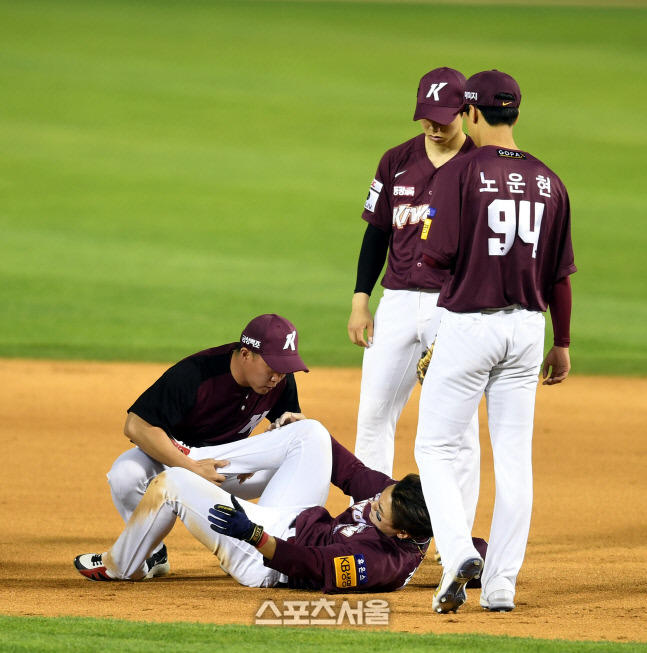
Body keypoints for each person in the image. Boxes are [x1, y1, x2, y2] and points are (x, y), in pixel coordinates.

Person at [414, 70, 576, 614]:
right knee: (514, 460)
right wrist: (563, 343)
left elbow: (434, 258)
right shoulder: (551, 180)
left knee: (434, 446)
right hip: (530, 330)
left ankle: (459, 550)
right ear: (517, 114)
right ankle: (502, 584)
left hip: (471, 324)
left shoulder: (462, 171)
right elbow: (559, 276)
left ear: (474, 114)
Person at [75, 418, 473, 593]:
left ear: (402, 533)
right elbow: (349, 471)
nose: (372, 506)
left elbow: (309, 566)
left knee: (174, 483)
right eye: (380, 500)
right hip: (290, 518)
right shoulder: (402, 502)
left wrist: (253, 535)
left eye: (380, 514)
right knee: (312, 433)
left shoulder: (379, 563)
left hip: (266, 561)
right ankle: (195, 454)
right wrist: (472, 560)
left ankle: (121, 566)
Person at [348, 67, 480, 530]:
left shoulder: (481, 165)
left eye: (444, 117)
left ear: (466, 111)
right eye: (426, 116)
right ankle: (370, 524)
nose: (434, 125)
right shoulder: (395, 160)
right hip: (399, 302)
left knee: (457, 428)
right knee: (373, 414)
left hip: (453, 306)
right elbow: (376, 232)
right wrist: (361, 300)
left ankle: (454, 540)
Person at [106, 313, 309, 578]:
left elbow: (292, 428)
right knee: (125, 474)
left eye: (284, 369)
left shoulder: (280, 382)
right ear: (246, 354)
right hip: (175, 461)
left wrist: (284, 432)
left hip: (229, 470)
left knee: (296, 458)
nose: (277, 377)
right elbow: (135, 425)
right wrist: (190, 467)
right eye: (272, 367)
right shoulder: (196, 374)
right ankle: (152, 552)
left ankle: (256, 549)